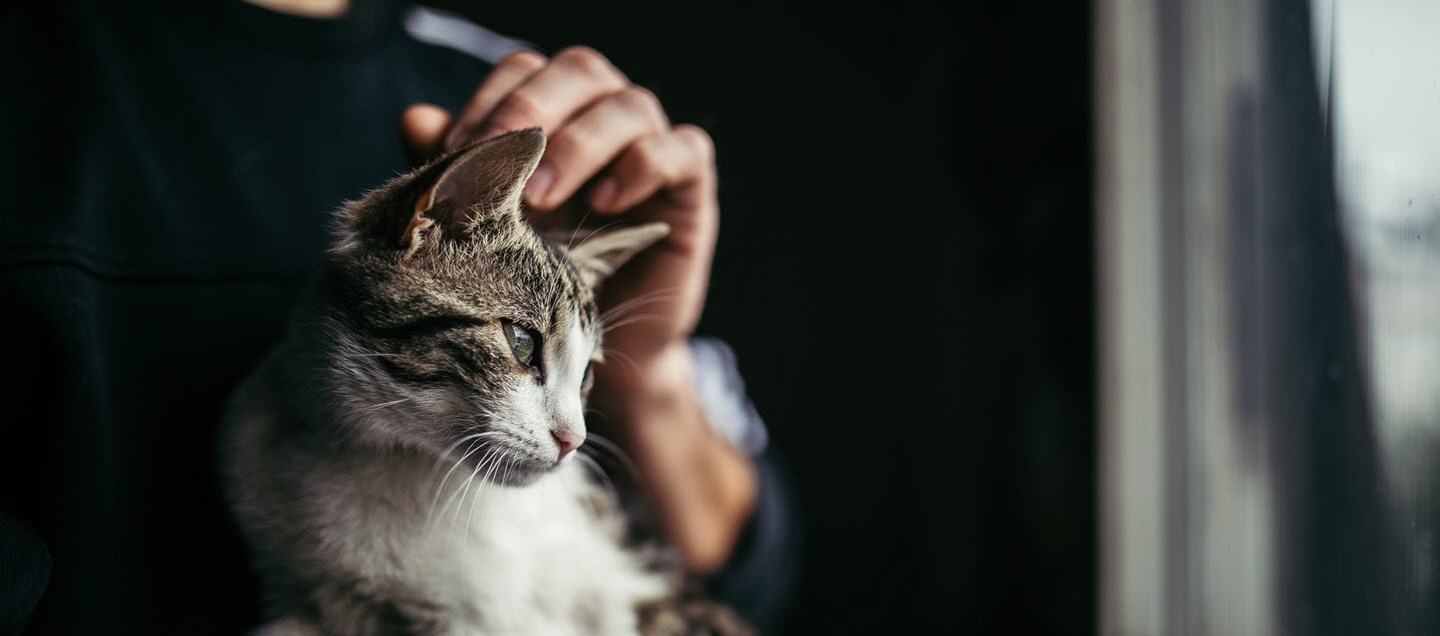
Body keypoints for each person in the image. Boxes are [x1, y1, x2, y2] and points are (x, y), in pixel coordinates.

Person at [0, 0, 795, 632]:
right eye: (523, 346)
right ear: (425, 222)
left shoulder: (509, 87)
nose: (572, 436)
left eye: (585, 378)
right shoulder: (32, 73)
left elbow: (745, 578)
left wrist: (651, 376)